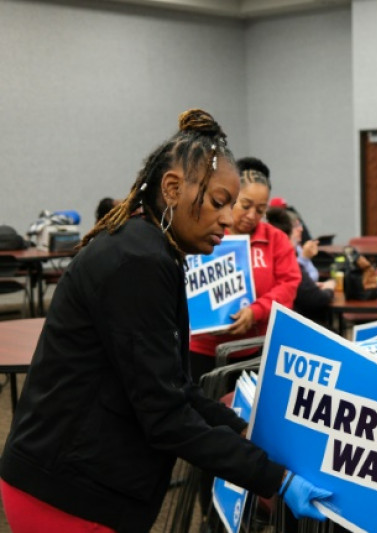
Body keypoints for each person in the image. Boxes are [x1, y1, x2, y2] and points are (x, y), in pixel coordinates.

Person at [0, 110, 330, 533]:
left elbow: (173, 387)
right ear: (173, 188)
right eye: (218, 202)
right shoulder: (139, 261)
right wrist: (276, 481)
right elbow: (167, 417)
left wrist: (247, 429)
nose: (228, 221)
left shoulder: (148, 249)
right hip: (68, 496)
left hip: (73, 479)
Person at [188, 160, 301, 381]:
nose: (252, 215)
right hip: (202, 350)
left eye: (260, 210)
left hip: (253, 348)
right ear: (231, 198)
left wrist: (255, 311)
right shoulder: (205, 233)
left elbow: (288, 286)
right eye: (246, 205)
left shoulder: (275, 239)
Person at [267, 206, 336, 326]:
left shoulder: (295, 251)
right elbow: (315, 298)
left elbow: (303, 285)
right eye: (295, 226)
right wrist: (329, 287)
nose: (301, 229)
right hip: (296, 323)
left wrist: (311, 285)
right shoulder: (288, 259)